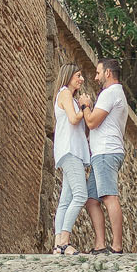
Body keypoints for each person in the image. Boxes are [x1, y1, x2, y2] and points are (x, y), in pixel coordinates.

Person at [79, 58, 132, 255]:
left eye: (98, 72)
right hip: (101, 154)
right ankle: (100, 245)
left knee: (109, 196)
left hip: (106, 152)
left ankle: (116, 246)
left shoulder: (110, 93)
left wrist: (85, 106)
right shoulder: (116, 94)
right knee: (92, 199)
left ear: (108, 73)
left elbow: (92, 122)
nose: (95, 76)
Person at [50, 64, 103, 255]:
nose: (81, 79)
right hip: (70, 151)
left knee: (66, 199)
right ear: (68, 76)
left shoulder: (69, 98)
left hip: (72, 152)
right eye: (78, 76)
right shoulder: (64, 93)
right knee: (80, 195)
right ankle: (65, 241)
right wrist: (85, 106)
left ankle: (57, 245)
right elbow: (73, 119)